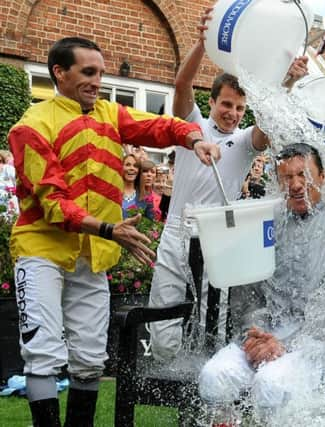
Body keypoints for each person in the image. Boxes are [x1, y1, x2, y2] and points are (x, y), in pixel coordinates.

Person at [7, 36, 220, 426]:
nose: (97, 81)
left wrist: (193, 138)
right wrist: (108, 229)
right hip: (41, 249)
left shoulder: (110, 113)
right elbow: (54, 203)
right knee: (42, 352)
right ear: (59, 72)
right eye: (88, 72)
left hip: (94, 254)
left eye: (101, 73)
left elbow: (158, 126)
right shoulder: (30, 127)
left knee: (89, 358)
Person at [148, 7, 309, 362]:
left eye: (238, 107)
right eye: (226, 104)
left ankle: (206, 395)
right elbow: (181, 84)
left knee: (211, 325)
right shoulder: (192, 127)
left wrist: (289, 82)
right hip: (177, 234)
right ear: (212, 102)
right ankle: (165, 375)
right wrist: (204, 44)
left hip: (218, 240)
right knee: (164, 322)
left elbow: (267, 123)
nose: (232, 113)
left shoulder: (246, 142)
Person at [199, 143, 325, 425]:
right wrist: (253, 336)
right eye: (286, 178)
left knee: (271, 383)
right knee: (214, 376)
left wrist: (286, 345)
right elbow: (248, 296)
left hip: (318, 346)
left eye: (304, 175)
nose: (296, 185)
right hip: (266, 337)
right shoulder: (268, 223)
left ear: (323, 176)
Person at [121, 154, 154, 220]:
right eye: (128, 165)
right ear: (121, 167)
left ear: (139, 171)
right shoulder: (112, 192)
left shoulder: (146, 196)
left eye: (135, 166)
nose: (132, 168)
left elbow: (150, 224)